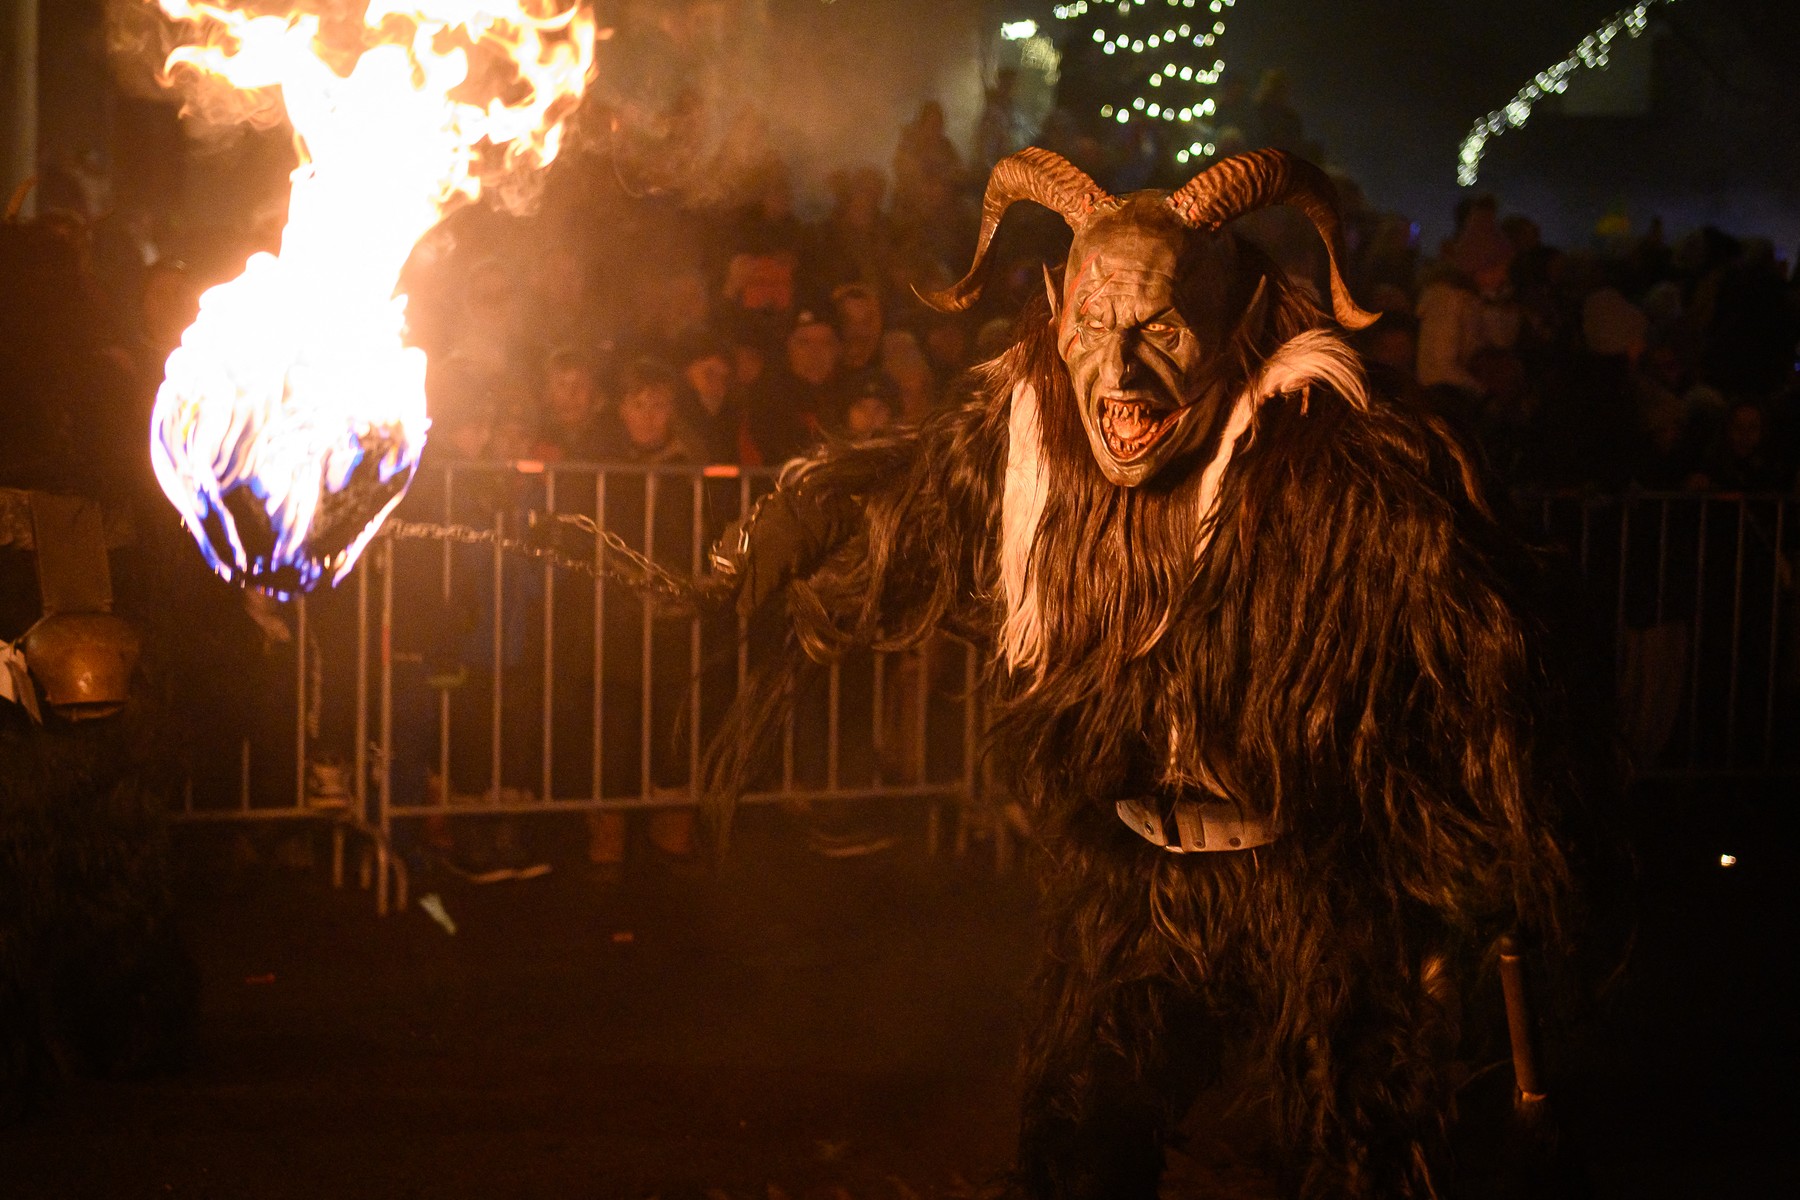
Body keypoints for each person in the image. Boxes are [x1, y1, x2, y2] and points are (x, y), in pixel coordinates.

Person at [707, 148, 1597, 1198]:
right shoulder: (1037, 440)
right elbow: (918, 498)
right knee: (1083, 1137)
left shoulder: (1333, 474)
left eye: (1161, 329)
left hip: (1313, 879)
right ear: (1055, 307)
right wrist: (806, 515)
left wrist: (1484, 844)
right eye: (1095, 326)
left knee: (1356, 1155)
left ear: (1239, 320)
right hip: (1135, 884)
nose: (1120, 376)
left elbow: (1484, 667)